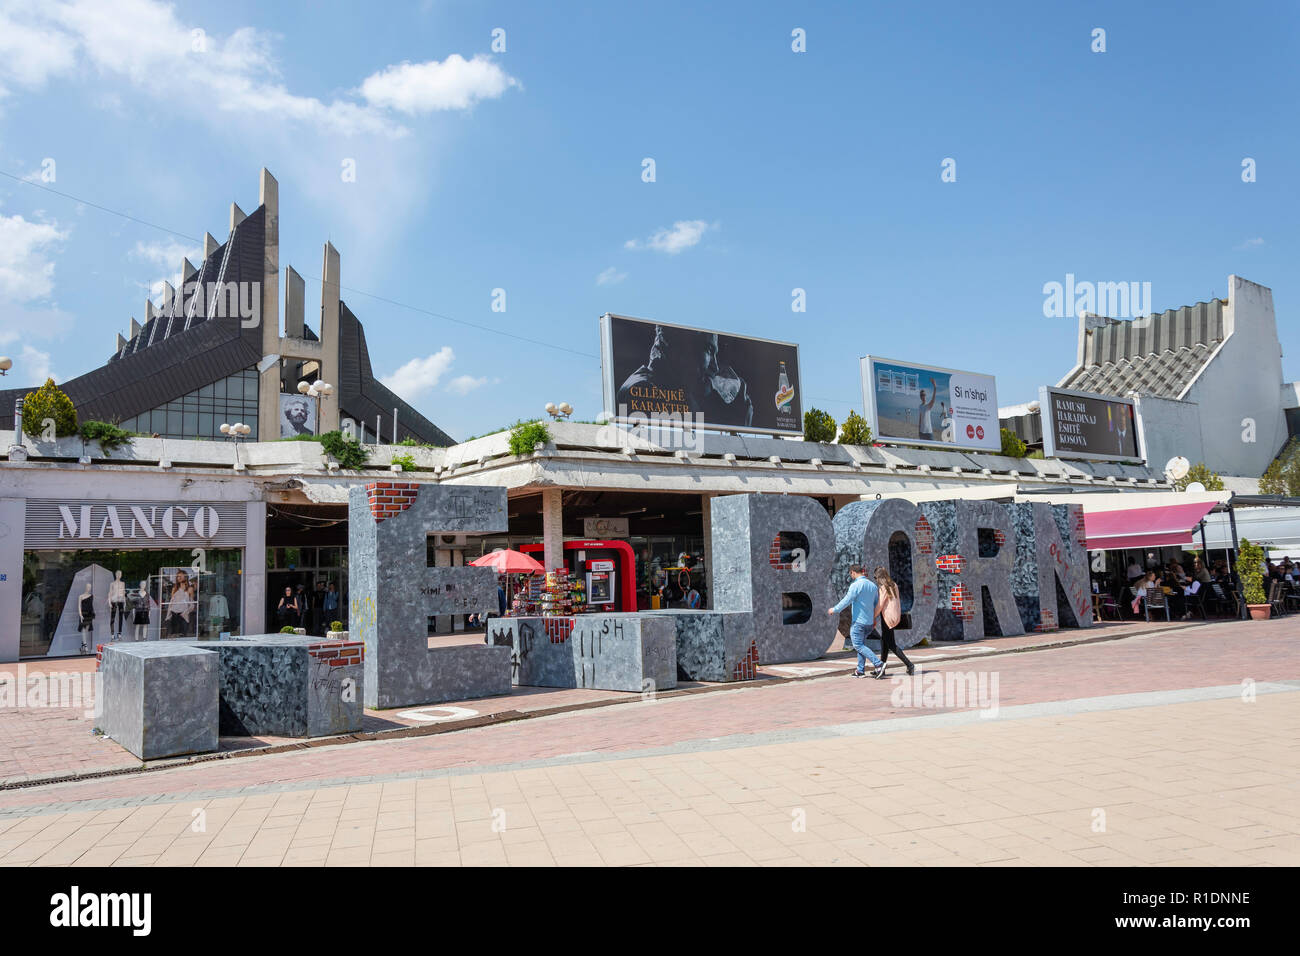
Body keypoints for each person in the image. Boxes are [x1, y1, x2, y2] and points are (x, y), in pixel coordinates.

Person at [615, 325, 754, 428]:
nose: (715, 367)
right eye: (708, 350)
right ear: (675, 346)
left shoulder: (679, 391)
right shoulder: (643, 389)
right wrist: (738, 423)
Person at [828, 565, 885, 679]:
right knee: (862, 645)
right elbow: (876, 604)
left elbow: (847, 600)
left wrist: (835, 609)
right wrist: (874, 619)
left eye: (851, 574)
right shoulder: (873, 585)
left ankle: (879, 664)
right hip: (869, 622)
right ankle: (860, 670)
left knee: (858, 645)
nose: (851, 576)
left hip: (859, 622)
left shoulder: (855, 585)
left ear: (853, 572)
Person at [873, 566, 914, 676]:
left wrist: (872, 617)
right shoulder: (893, 585)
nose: (875, 580)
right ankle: (882, 667)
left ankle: (909, 664)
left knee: (891, 644)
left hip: (887, 617)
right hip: (894, 616)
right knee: (884, 642)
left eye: (875, 577)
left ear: (879, 577)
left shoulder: (884, 588)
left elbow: (880, 605)